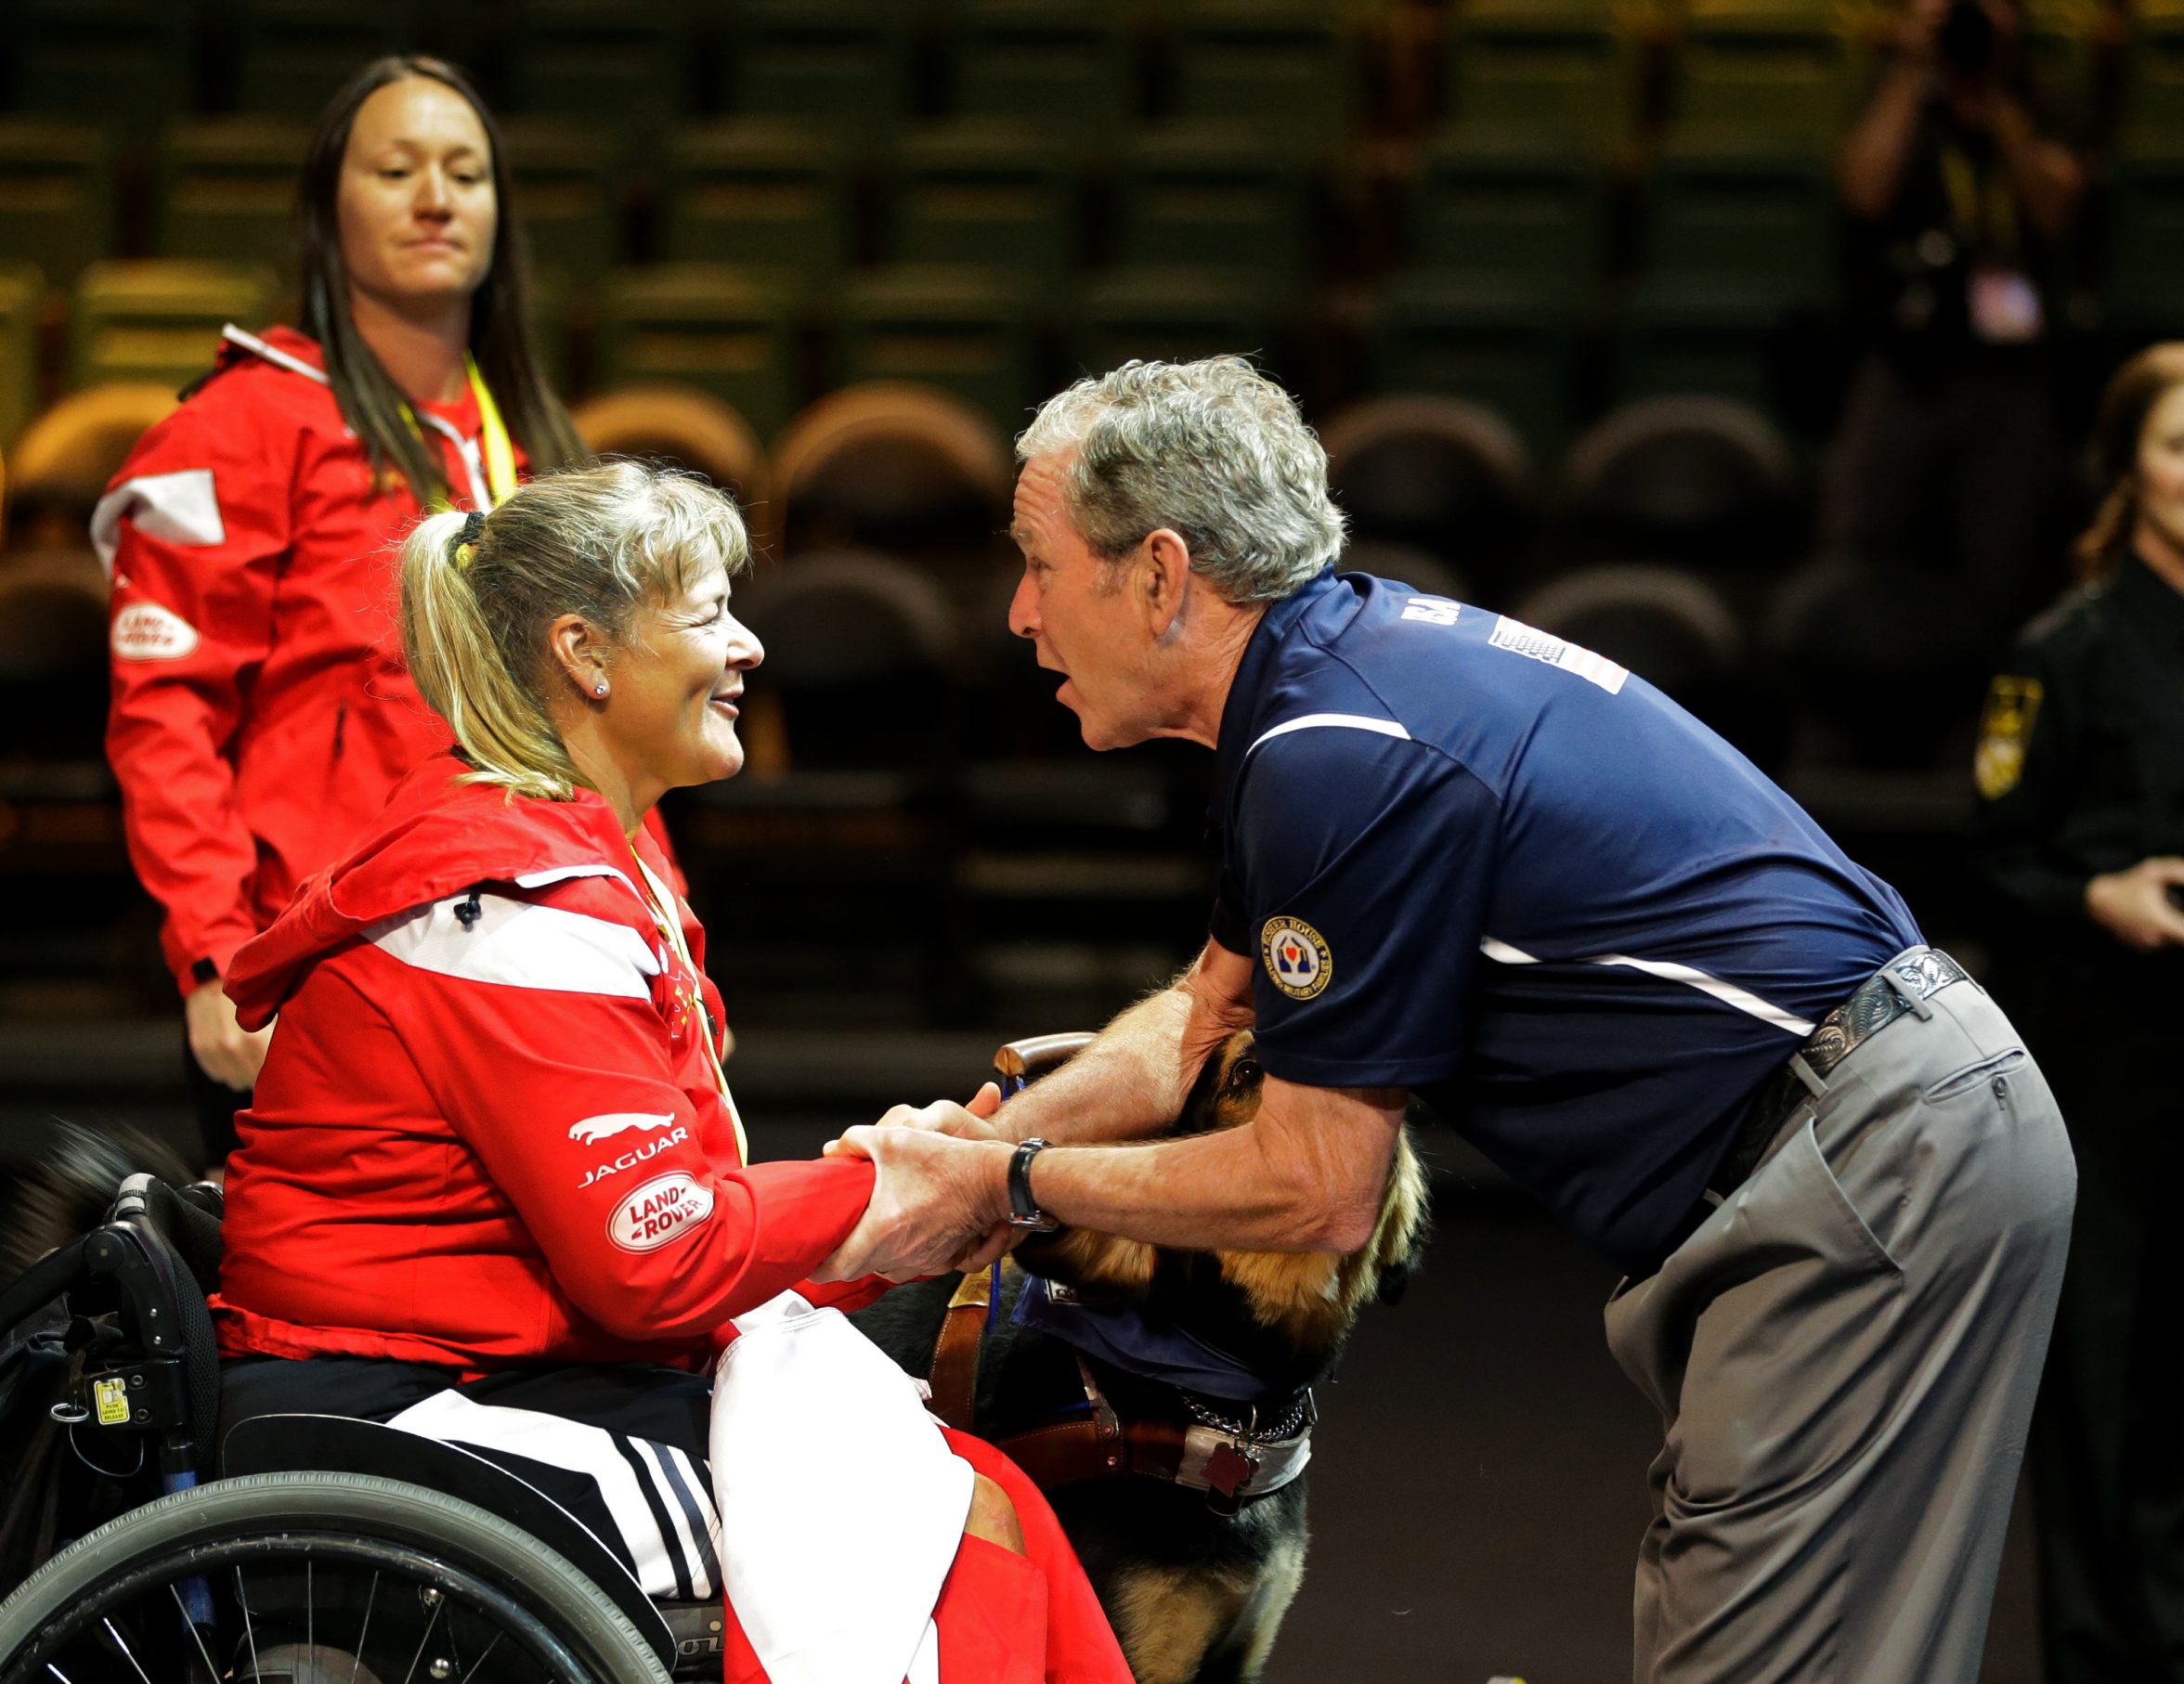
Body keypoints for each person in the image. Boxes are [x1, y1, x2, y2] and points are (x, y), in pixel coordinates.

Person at [828, 356, 2077, 1684]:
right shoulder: (1336, 677)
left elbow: (1316, 1191)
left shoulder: (1330, 752)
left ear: (1159, 573)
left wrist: (1008, 1185)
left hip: (1869, 1158)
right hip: (1899, 1125)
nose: (1019, 614)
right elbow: (1201, 1019)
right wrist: (973, 1146)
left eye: (1039, 562)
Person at [209, 462, 1132, 1684]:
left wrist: (882, 1206)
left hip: (486, 1363)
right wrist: (875, 1188)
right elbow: (652, 1262)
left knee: (963, 1490)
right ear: (584, 652)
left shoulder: (561, 852)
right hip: (398, 1415)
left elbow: (660, 1219)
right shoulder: (516, 906)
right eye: (708, 613)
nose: (750, 644)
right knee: (943, 1535)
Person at [95, 55, 600, 1165]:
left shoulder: (527, 441)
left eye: (465, 172)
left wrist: (668, 929)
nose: (435, 196)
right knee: (328, 1333)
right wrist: (218, 954)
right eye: (397, 168)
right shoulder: (237, 424)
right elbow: (163, 714)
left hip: (535, 950)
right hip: (322, 967)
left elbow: (604, 724)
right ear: (331, 207)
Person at [1975, 343, 2184, 1684]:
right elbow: (1992, 860)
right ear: (2130, 470)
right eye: (2180, 445)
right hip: (2113, 1057)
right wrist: (2095, 892)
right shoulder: (2063, 650)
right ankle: (2111, 1661)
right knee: (2108, 1391)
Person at [1825, 0, 2085, 634]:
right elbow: (1865, 190)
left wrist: (1996, 102)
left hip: (2013, 375)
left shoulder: (2039, 104)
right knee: (1855, 561)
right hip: (1905, 365)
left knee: (2006, 578)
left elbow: (2055, 209)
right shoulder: (1898, 97)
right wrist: (1912, 72)